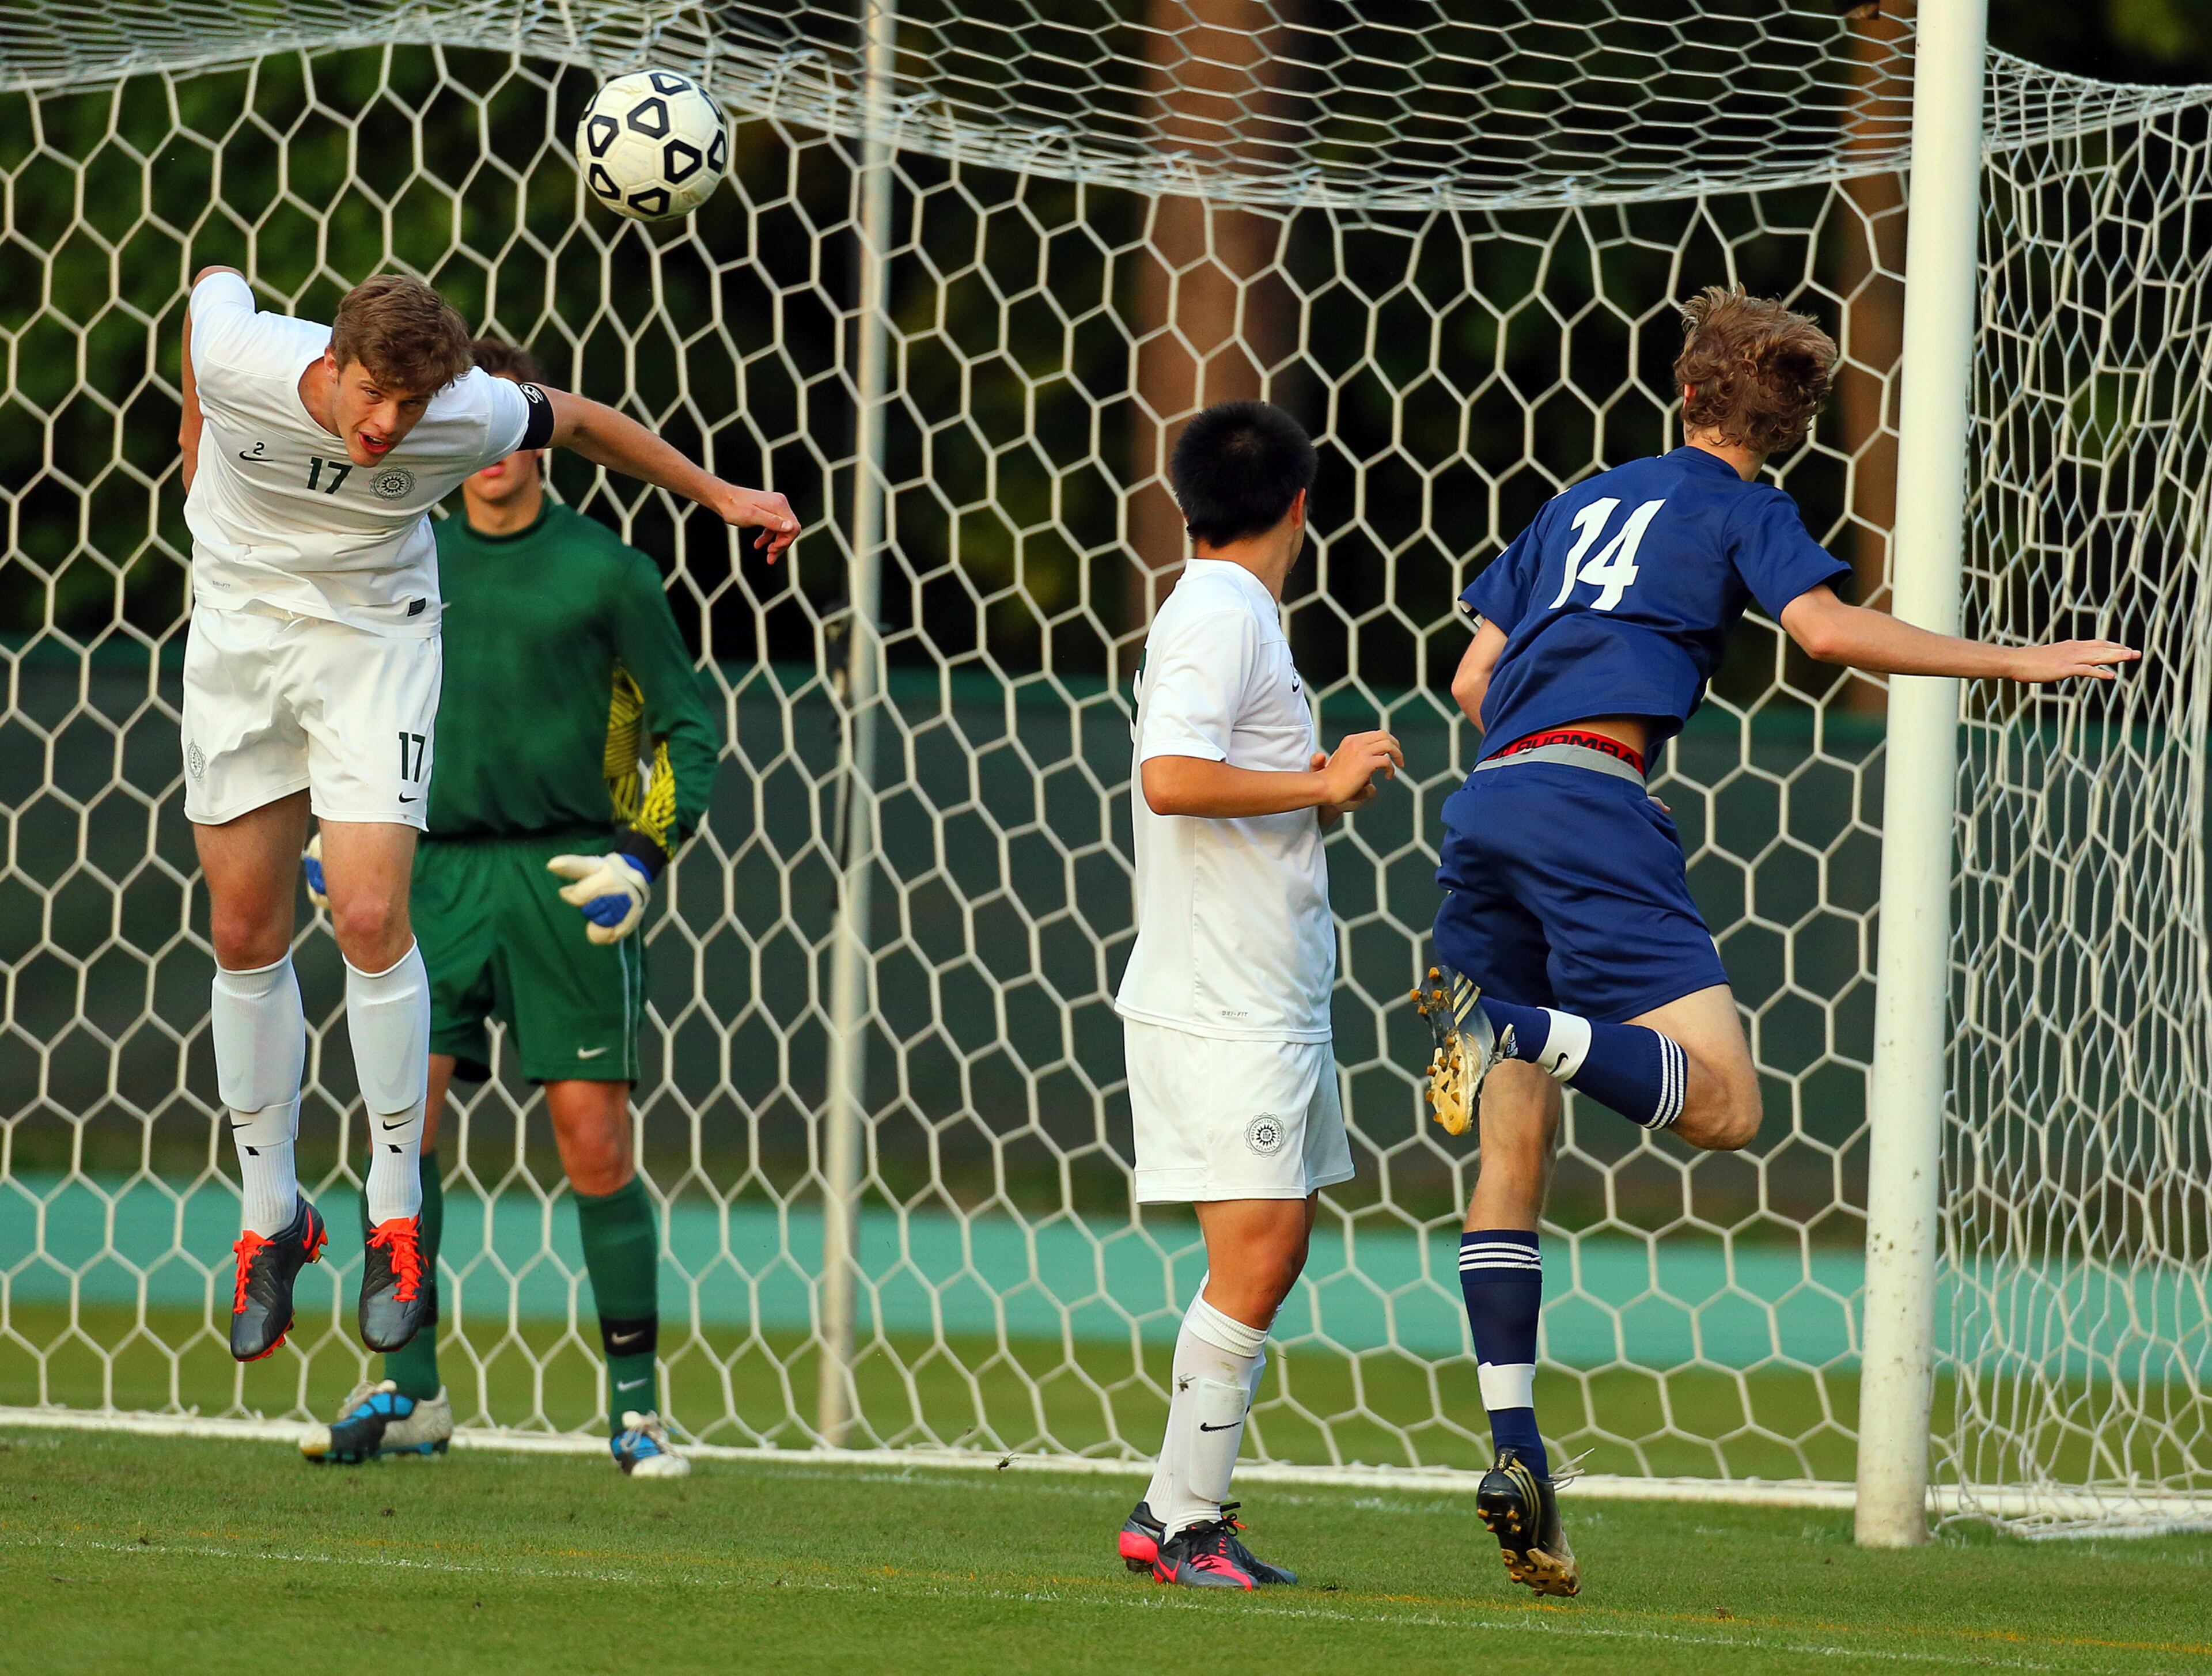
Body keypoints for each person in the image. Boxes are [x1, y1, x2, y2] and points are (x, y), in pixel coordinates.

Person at [1419, 285, 2139, 1597]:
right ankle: (1517, 1029)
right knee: (1731, 1109)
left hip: (1489, 801)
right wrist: (2012, 660)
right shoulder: (1743, 506)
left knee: (1513, 1144)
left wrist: (1533, 782)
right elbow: (1820, 629)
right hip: (1590, 795)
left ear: (1683, 393)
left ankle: (1514, 1448)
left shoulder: (1580, 500)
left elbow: (1470, 681)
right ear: (1784, 427)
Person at [180, 268, 794, 1368]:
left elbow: (590, 423)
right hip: (237, 628)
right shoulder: (246, 357)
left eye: (411, 410)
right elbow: (208, 294)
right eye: (372, 395)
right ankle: (272, 1211)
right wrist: (196, 458)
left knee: (369, 917)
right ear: (330, 359)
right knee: (242, 934)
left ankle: (392, 1205)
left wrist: (722, 496)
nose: (387, 426)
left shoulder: (468, 409)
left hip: (373, 636)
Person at [292, 340, 723, 1474]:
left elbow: (690, 725)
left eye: (504, 425)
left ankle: (635, 1411)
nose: (487, 452)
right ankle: (411, 1389)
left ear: (532, 432)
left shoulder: (609, 573)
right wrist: (337, 835)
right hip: (430, 876)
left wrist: (644, 853)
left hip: (566, 876)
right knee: (403, 1129)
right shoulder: (402, 554)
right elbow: (337, 696)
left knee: (592, 1143)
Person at [1112, 401, 1403, 1590]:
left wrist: (1312, 788)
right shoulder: (1221, 614)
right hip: (1225, 998)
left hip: (1257, 989)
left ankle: (1179, 1510)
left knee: (1272, 1250)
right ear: (1301, 503)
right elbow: (1171, 777)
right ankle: (1182, 1522)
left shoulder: (1228, 611)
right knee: (1259, 1253)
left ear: (1190, 502)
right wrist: (1322, 780)